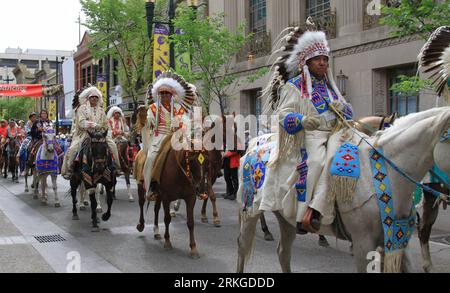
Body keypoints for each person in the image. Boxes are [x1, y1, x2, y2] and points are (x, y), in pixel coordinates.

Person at [259, 22, 355, 234]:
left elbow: (348, 115)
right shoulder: (293, 86)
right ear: (306, 63)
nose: (322, 63)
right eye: (317, 60)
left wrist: (344, 109)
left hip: (337, 133)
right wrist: (301, 120)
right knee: (317, 161)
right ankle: (306, 213)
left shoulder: (332, 88)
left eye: (325, 59)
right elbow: (282, 115)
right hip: (310, 136)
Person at [142, 71, 198, 199]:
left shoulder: (178, 107)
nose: (164, 96)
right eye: (162, 93)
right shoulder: (153, 108)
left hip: (176, 137)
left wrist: (181, 124)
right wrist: (144, 119)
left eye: (167, 93)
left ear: (172, 95)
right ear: (158, 95)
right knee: (150, 157)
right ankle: (150, 188)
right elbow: (149, 121)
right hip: (159, 137)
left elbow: (185, 121)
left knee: (194, 153)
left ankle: (197, 182)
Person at [61, 86, 121, 179]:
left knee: (113, 145)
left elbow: (105, 124)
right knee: (73, 149)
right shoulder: (82, 108)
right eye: (92, 97)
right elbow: (81, 122)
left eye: (96, 97)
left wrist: (105, 131)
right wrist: (94, 125)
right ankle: (70, 169)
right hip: (85, 134)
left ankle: (117, 167)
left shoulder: (101, 111)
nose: (94, 99)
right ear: (88, 98)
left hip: (100, 134)